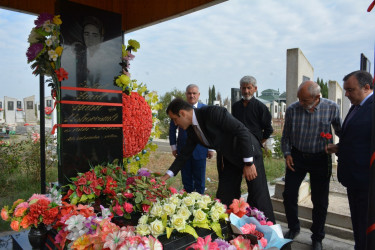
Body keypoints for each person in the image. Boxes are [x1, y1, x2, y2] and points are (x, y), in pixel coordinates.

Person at [161, 98, 270, 209]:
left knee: (258, 197)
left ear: (182, 113)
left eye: (175, 119)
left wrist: (248, 163)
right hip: (228, 159)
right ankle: (229, 225)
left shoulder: (212, 113)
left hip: (248, 152)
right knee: (225, 198)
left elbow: (242, 131)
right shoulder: (191, 129)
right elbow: (184, 155)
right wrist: (164, 178)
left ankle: (265, 224)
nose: (175, 124)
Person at [281, 80, 341, 250]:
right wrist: (287, 154)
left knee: (320, 200)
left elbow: (342, 131)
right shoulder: (293, 109)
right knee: (289, 194)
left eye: (305, 101)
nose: (300, 103)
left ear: (317, 98)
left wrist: (338, 147)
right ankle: (293, 227)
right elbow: (285, 136)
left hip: (320, 159)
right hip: (297, 158)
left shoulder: (331, 108)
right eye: (299, 99)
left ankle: (317, 237)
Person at [326, 70, 373, 250]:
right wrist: (339, 148)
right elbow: (357, 139)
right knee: (358, 221)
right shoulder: (357, 105)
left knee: (364, 222)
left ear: (366, 87)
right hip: (354, 178)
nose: (346, 94)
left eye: (350, 90)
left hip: (366, 180)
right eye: (345, 90)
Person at [231, 75, 275, 222]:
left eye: (249, 87)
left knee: (257, 188)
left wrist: (257, 143)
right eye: (243, 88)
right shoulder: (236, 107)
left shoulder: (261, 108)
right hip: (237, 151)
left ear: (255, 89)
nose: (246, 90)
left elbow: (268, 130)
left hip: (254, 153)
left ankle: (260, 220)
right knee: (232, 185)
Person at [169, 84, 213, 194]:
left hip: (200, 150)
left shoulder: (205, 109)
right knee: (187, 180)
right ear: (186, 95)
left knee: (200, 180)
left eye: (194, 93)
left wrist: (211, 149)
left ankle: (200, 201)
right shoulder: (179, 110)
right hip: (183, 149)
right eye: (189, 93)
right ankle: (188, 200)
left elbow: (210, 129)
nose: (191, 95)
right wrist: (174, 147)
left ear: (198, 95)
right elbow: (172, 129)